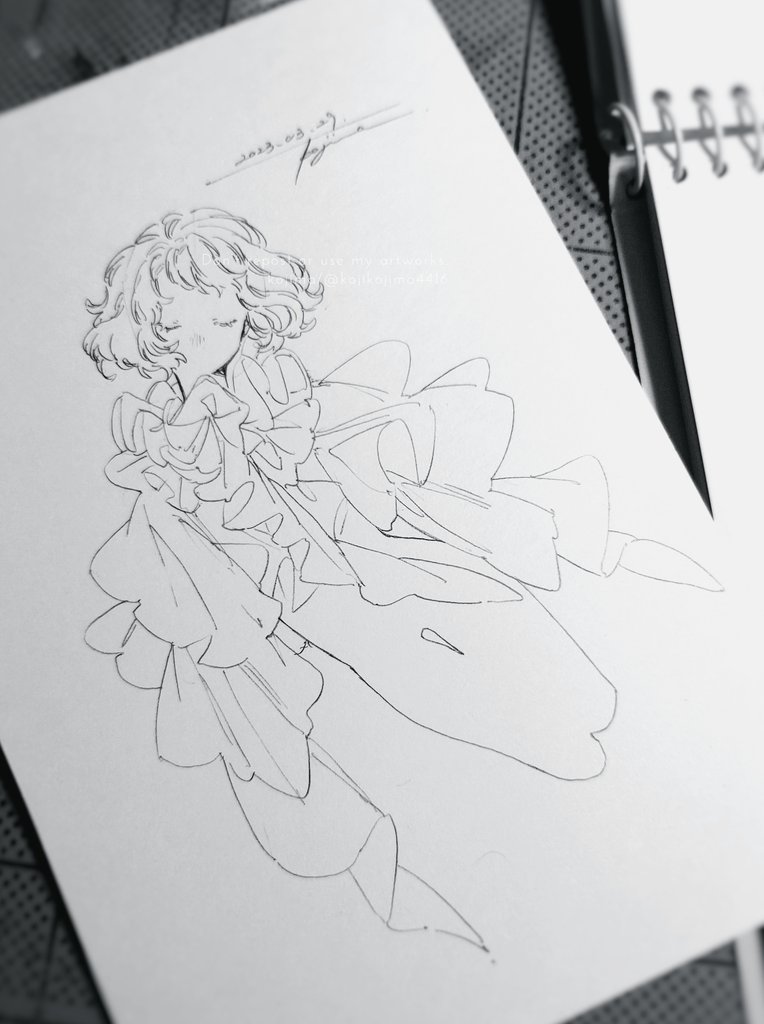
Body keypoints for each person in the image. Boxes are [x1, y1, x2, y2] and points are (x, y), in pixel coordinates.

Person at [83, 208, 720, 945]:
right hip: (288, 582)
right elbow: (208, 497)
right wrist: (216, 438)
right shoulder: (155, 419)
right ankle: (547, 754)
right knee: (405, 661)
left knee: (471, 595)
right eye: (179, 330)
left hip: (355, 526)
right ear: (150, 334)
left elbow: (299, 440)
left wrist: (311, 462)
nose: (207, 339)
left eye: (223, 317)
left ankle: (590, 714)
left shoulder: (266, 371)